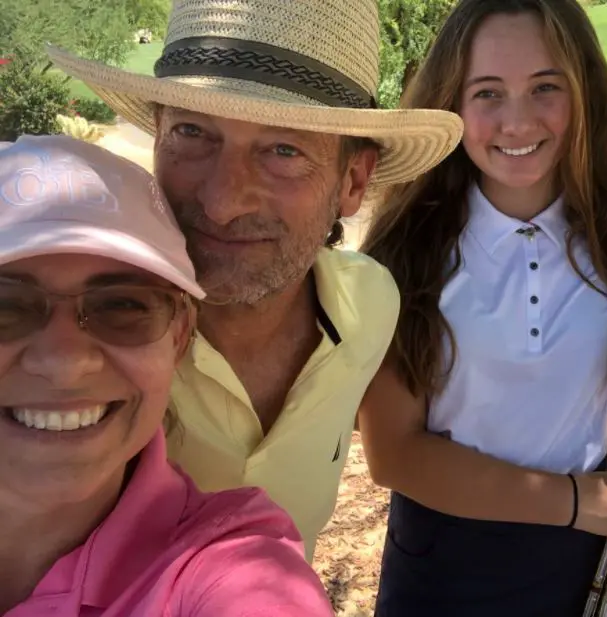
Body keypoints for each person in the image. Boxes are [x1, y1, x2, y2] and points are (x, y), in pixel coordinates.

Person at [45, 0, 463, 562]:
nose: (221, 203)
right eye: (193, 132)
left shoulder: (369, 304)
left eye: (283, 149)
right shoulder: (75, 344)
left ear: (354, 180)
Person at [358, 0, 607, 615]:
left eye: (546, 87)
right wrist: (573, 503)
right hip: (451, 560)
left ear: (583, 94)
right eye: (488, 92)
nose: (517, 122)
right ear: (452, 105)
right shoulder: (407, 252)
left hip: (594, 552)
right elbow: (394, 454)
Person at [0, 134, 334, 616]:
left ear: (179, 337)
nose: (65, 363)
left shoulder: (224, 574)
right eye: (6, 307)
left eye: (123, 306)